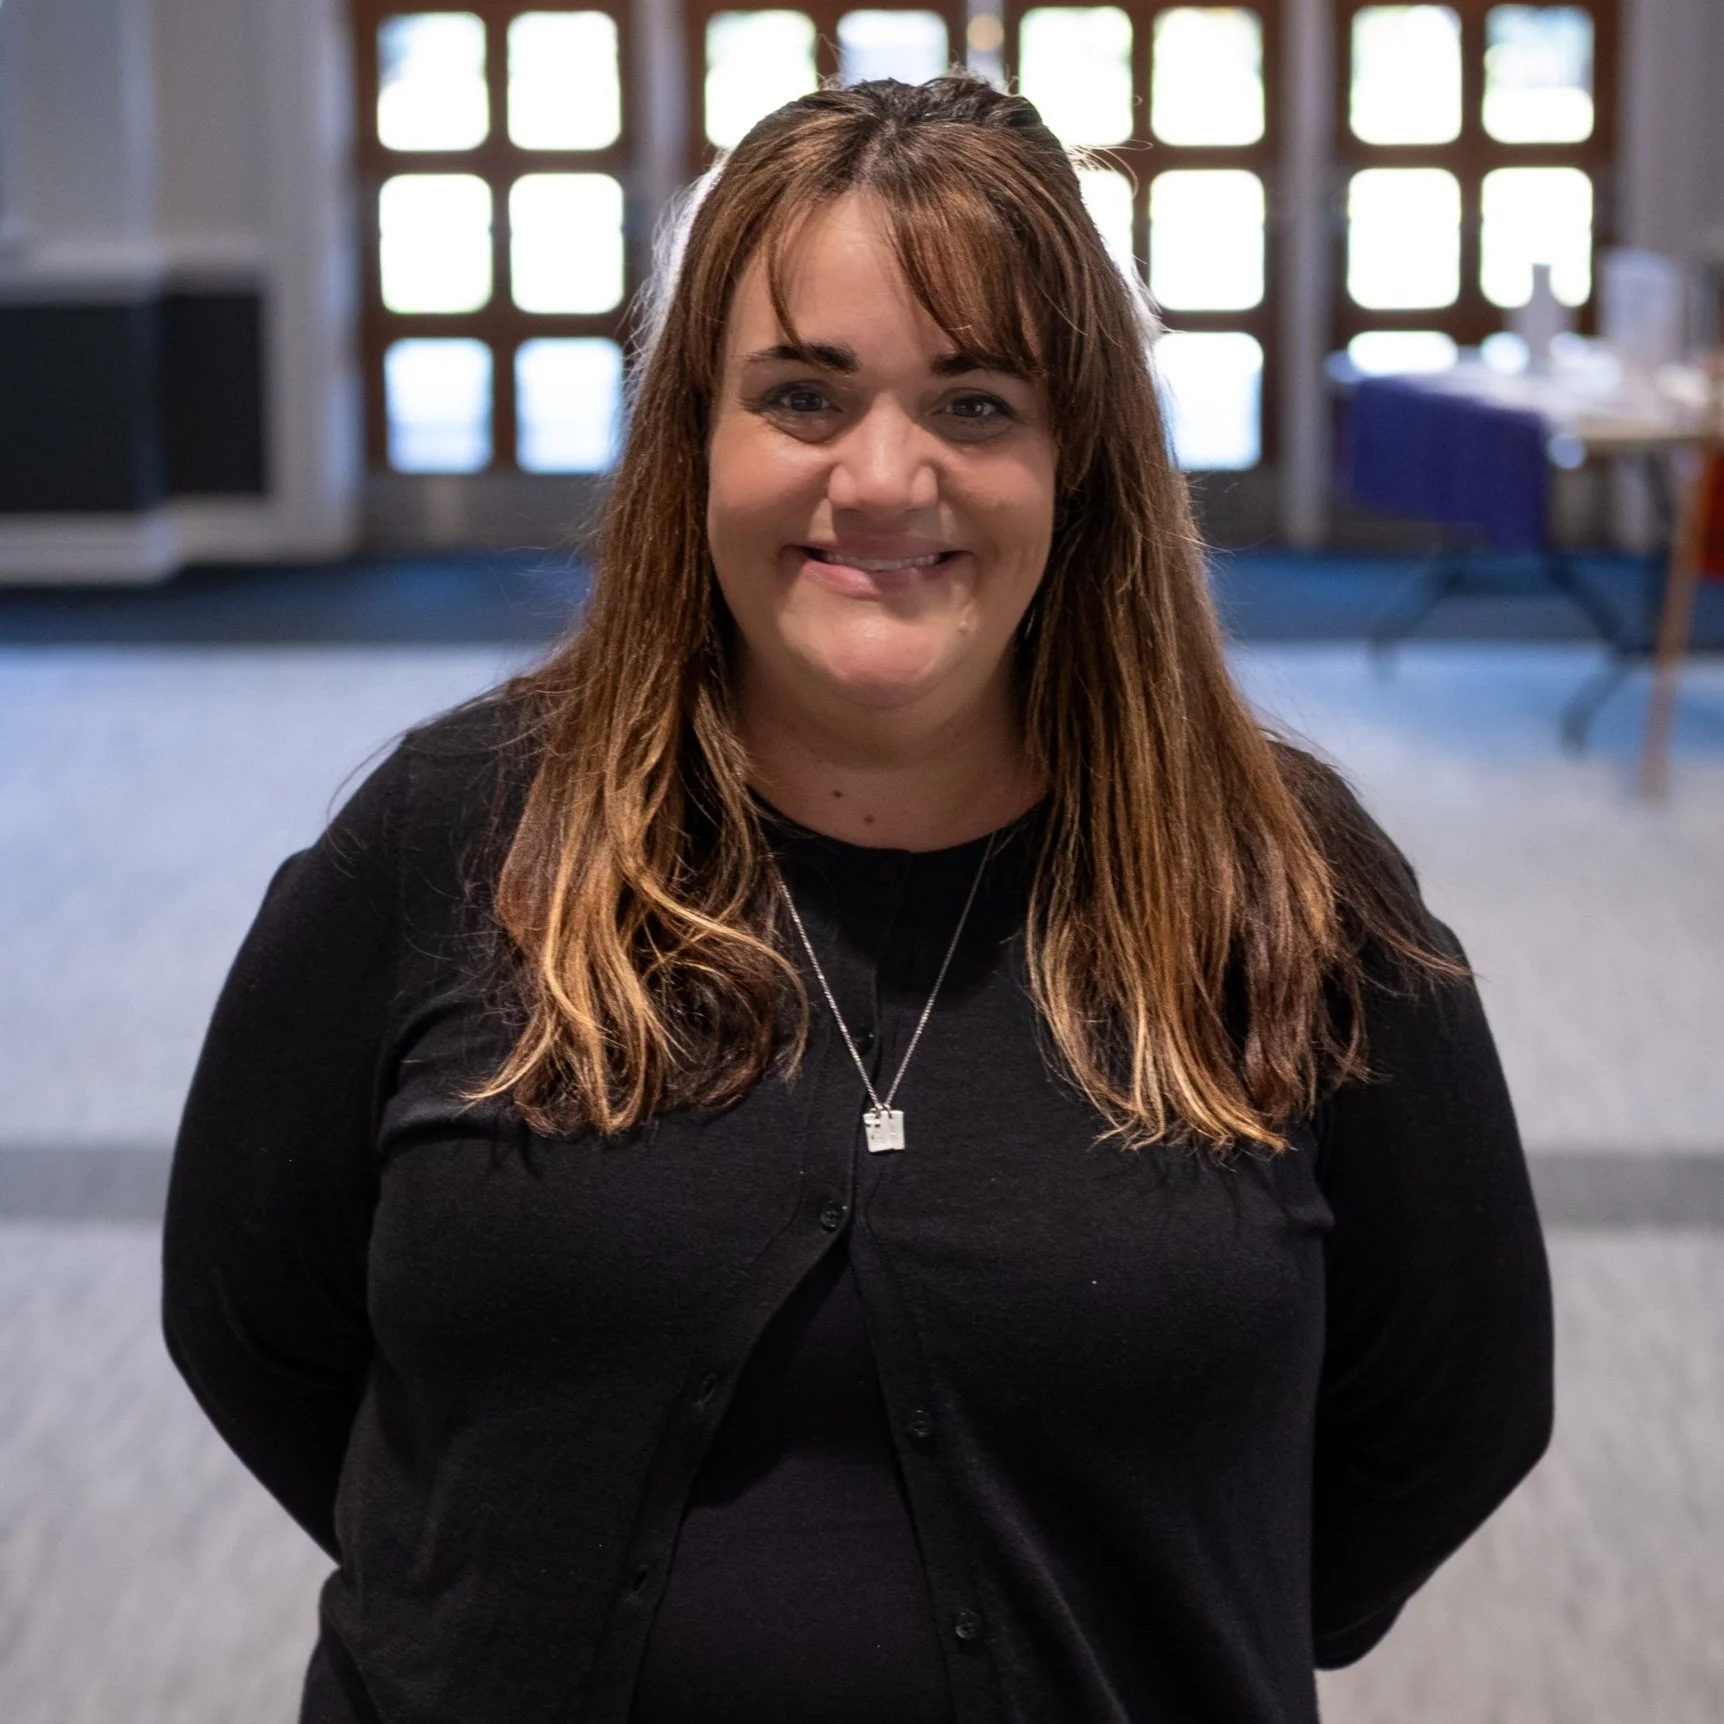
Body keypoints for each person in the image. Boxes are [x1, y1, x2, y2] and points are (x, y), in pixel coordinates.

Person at [162, 75, 1552, 1724]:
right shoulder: (454, 837)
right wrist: (477, 1573)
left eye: (975, 405)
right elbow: (251, 1316)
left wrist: (1180, 1610)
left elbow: (1456, 1401)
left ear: (1081, 464)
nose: (884, 480)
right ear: (695, 441)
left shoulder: (1280, 880)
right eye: (804, 398)